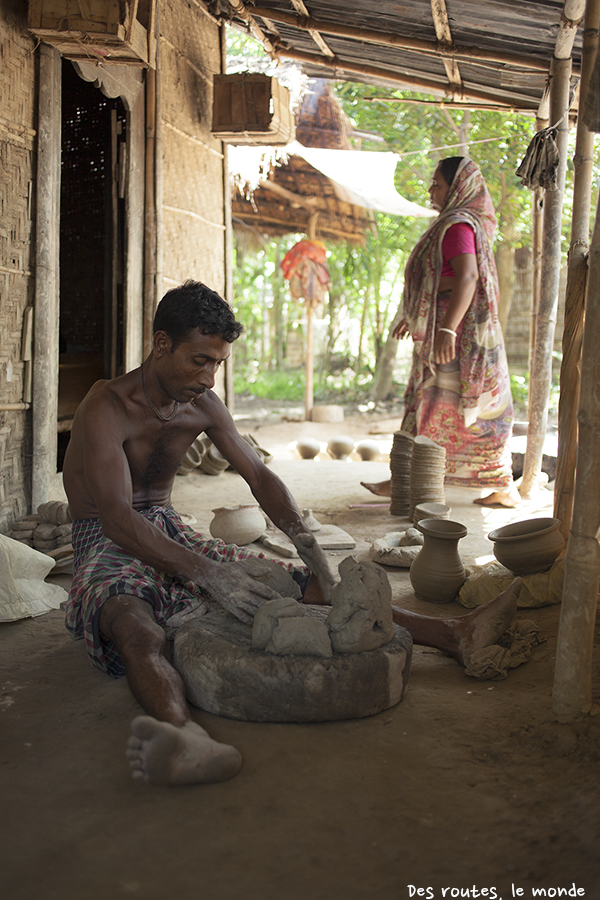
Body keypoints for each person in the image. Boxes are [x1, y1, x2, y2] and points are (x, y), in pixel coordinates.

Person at [63, 280, 522, 788]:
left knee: (305, 583)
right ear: (161, 344)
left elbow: (259, 476)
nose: (209, 376)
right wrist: (208, 573)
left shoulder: (202, 405)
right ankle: (181, 737)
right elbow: (117, 520)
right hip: (106, 538)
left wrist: (303, 537)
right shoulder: (106, 407)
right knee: (137, 624)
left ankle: (456, 635)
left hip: (170, 526)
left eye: (217, 363)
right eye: (199, 360)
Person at [362, 157, 520, 508]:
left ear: (456, 187)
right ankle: (407, 478)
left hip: (459, 336)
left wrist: (447, 329)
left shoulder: (457, 227)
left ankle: (491, 485)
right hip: (456, 329)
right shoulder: (459, 225)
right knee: (436, 404)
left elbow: (467, 277)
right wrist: (416, 311)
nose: (431, 189)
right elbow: (443, 278)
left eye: (437, 183)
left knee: (457, 407)